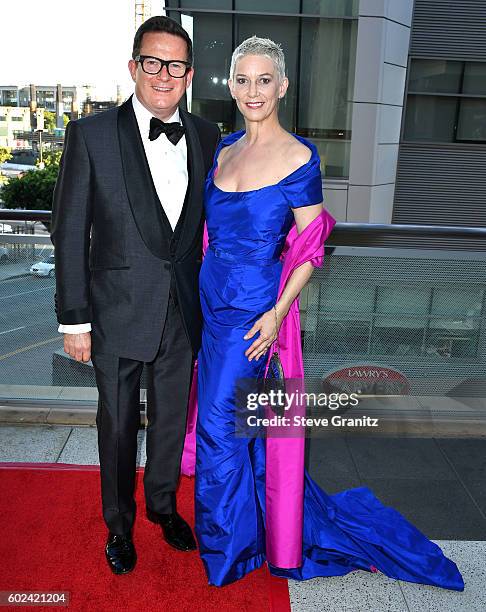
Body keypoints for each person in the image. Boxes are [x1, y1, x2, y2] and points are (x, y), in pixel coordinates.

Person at [186, 35, 465, 591]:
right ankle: (255, 527)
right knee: (246, 427)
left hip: (254, 314)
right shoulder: (223, 150)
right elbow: (210, 236)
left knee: (221, 428)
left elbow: (312, 247)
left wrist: (276, 312)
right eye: (242, 80)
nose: (252, 90)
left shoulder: (299, 157)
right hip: (211, 305)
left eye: (264, 80)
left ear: (283, 86)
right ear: (231, 87)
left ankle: (229, 550)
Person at [51, 16, 220, 575]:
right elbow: (70, 228)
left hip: (182, 310)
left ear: (189, 74)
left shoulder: (205, 134)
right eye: (153, 61)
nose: (164, 74)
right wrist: (74, 320)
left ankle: (164, 507)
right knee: (118, 426)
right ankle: (119, 527)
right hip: (115, 311)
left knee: (171, 421)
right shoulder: (92, 134)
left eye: (176, 65)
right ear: (133, 66)